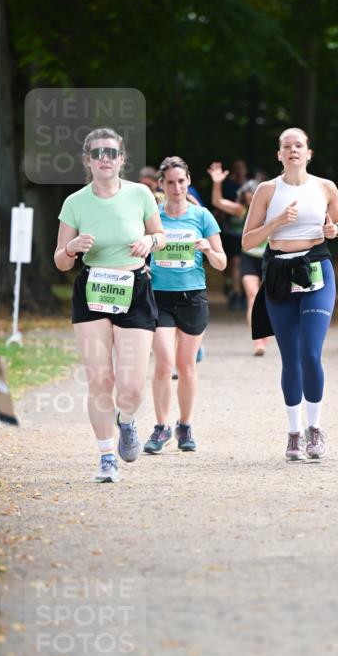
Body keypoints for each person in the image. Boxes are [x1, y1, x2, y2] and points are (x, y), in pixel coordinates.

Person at [55, 128, 165, 483]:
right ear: (87, 160)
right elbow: (61, 261)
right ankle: (106, 456)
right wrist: (71, 248)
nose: (105, 159)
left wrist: (149, 241)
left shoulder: (140, 194)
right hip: (93, 289)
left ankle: (127, 421)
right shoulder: (75, 202)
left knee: (131, 387)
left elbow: (161, 236)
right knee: (100, 379)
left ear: (122, 159)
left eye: (112, 153)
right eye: (98, 153)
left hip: (134, 287)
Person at [242, 127, 338, 460]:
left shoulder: (325, 187)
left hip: (316, 269)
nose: (293, 150)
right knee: (290, 358)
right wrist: (276, 223)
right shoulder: (267, 190)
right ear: (279, 154)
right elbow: (247, 240)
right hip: (280, 274)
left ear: (308, 153)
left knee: (310, 352)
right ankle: (294, 433)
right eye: (287, 146)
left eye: (299, 145)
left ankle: (315, 429)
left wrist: (334, 229)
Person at [143, 156, 226, 454]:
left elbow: (221, 262)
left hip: (193, 297)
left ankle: (185, 425)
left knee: (186, 366)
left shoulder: (202, 216)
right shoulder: (152, 216)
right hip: (159, 297)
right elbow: (137, 249)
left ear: (188, 181)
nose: (177, 188)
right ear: (161, 185)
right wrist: (143, 265)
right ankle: (161, 427)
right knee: (164, 364)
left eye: (181, 181)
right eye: (170, 182)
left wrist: (208, 249)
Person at [208, 166, 268, 356]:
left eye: (254, 194)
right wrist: (217, 183)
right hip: (248, 257)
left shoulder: (273, 210)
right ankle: (258, 341)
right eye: (249, 195)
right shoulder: (242, 211)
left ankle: (267, 332)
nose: (251, 198)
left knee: (269, 300)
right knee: (252, 296)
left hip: (269, 258)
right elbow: (217, 202)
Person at [211, 159, 248, 310]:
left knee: (239, 264)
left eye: (242, 168)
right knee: (233, 263)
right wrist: (217, 183)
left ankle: (241, 294)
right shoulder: (239, 207)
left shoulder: (264, 205)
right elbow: (218, 202)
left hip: (249, 240)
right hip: (230, 232)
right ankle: (235, 291)